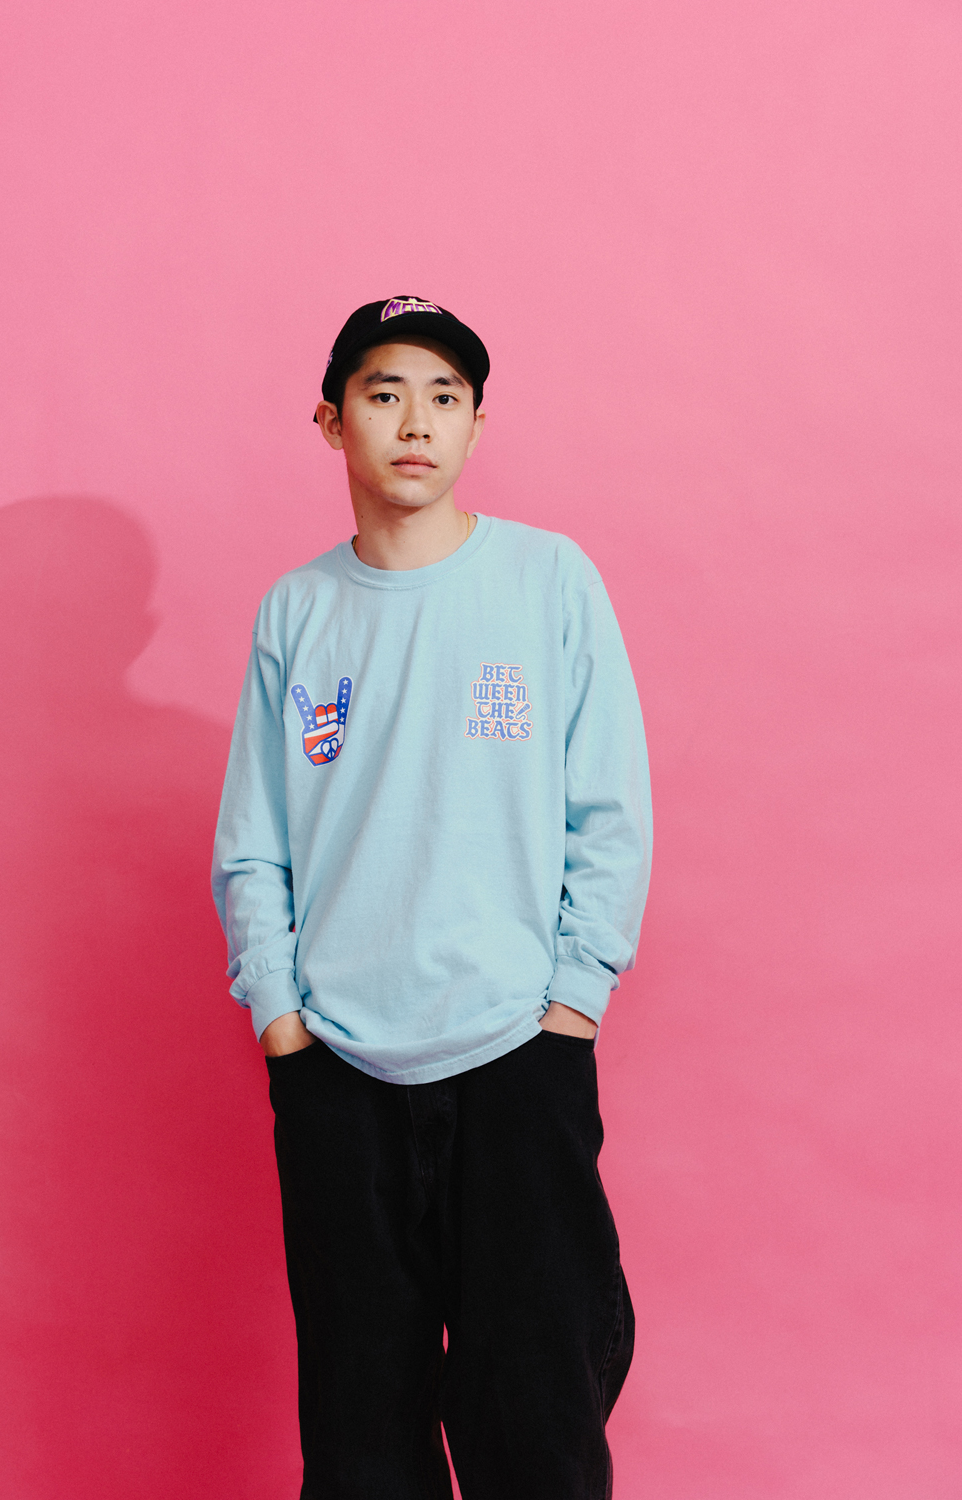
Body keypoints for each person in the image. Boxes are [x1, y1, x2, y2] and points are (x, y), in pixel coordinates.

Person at [212, 296, 652, 1500]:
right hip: (338, 1068)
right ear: (331, 421)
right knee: (360, 1425)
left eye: (446, 397)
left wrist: (573, 1000)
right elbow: (253, 841)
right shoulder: (299, 610)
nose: (417, 422)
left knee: (539, 1414)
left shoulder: (548, 581)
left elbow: (609, 807)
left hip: (517, 1052)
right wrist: (281, 1021)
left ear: (475, 425)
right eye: (386, 393)